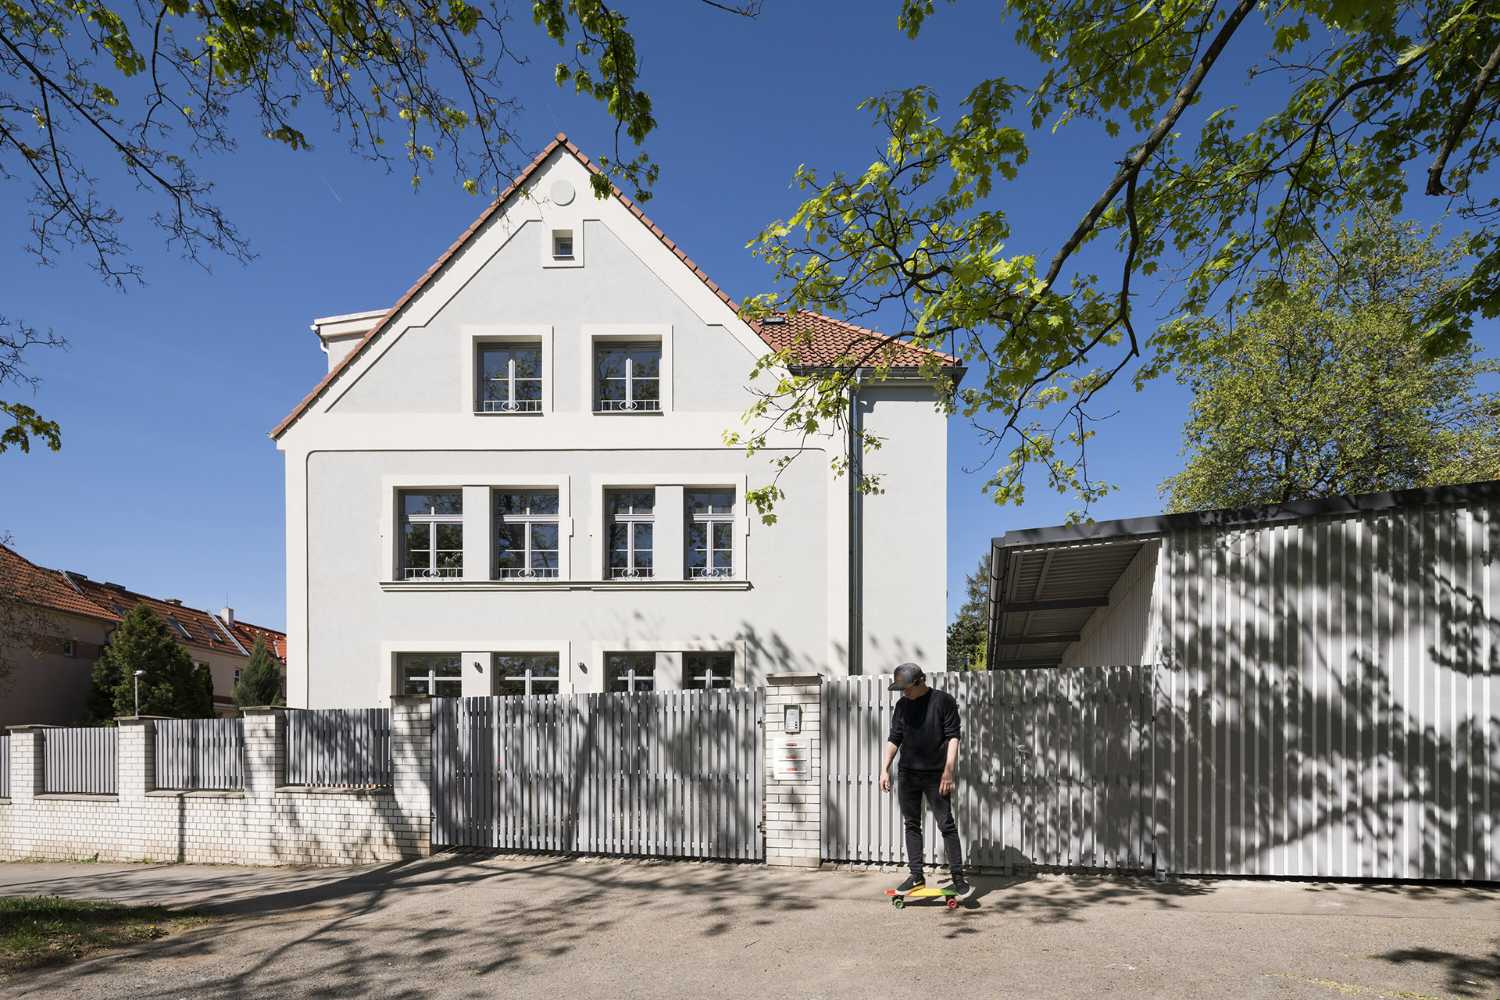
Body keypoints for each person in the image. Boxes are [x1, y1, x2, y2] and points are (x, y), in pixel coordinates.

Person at [879, 662, 973, 899]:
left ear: (920, 682)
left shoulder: (943, 701)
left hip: (936, 775)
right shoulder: (902, 706)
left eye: (907, 688)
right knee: (911, 824)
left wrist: (948, 770)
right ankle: (916, 875)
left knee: (946, 824)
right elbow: (894, 738)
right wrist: (884, 768)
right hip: (908, 774)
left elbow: (953, 737)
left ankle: (958, 878)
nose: (904, 693)